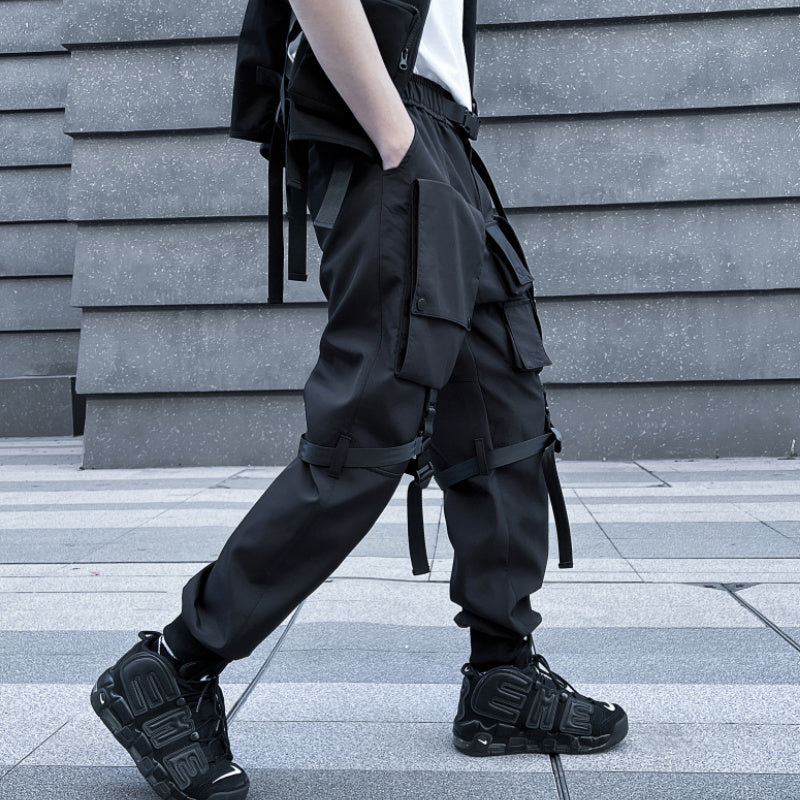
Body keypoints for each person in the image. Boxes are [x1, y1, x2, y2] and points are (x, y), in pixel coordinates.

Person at [90, 1, 628, 798]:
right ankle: (173, 666)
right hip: (387, 126)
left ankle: (503, 675)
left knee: (501, 412)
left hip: (443, 137)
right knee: (368, 425)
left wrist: (422, 141)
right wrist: (393, 134)